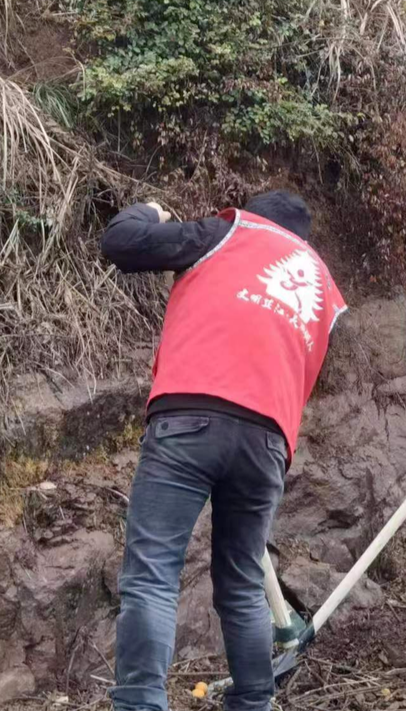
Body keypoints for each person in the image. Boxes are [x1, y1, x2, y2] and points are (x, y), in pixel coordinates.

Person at [101, 190, 347, 711]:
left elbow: (121, 241)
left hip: (190, 416)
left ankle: (140, 703)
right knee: (239, 583)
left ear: (253, 216)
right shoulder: (323, 285)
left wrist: (152, 212)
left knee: (152, 574)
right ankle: (255, 702)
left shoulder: (228, 233)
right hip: (267, 441)